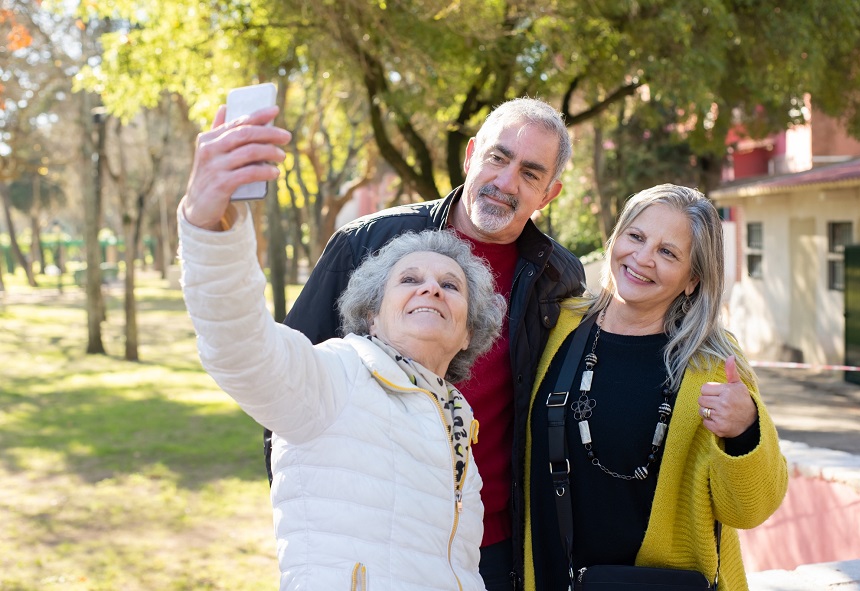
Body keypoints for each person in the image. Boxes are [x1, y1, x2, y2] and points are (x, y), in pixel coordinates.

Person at [177, 104, 506, 589]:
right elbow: (240, 346)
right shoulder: (337, 376)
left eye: (450, 286)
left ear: (467, 333)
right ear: (371, 314)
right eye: (409, 279)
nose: (431, 289)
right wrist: (209, 227)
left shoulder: (456, 419)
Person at [275, 97, 586, 589]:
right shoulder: (366, 243)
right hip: (373, 538)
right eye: (498, 157)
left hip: (493, 543)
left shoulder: (558, 277)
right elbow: (282, 386)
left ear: (549, 193)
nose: (506, 183)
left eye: (530, 173)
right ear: (470, 156)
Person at [523, 184, 788, 590]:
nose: (642, 258)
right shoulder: (557, 325)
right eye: (636, 236)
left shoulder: (712, 364)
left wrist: (744, 429)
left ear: (692, 279)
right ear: (616, 238)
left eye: (668, 252)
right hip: (549, 577)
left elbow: (750, 509)